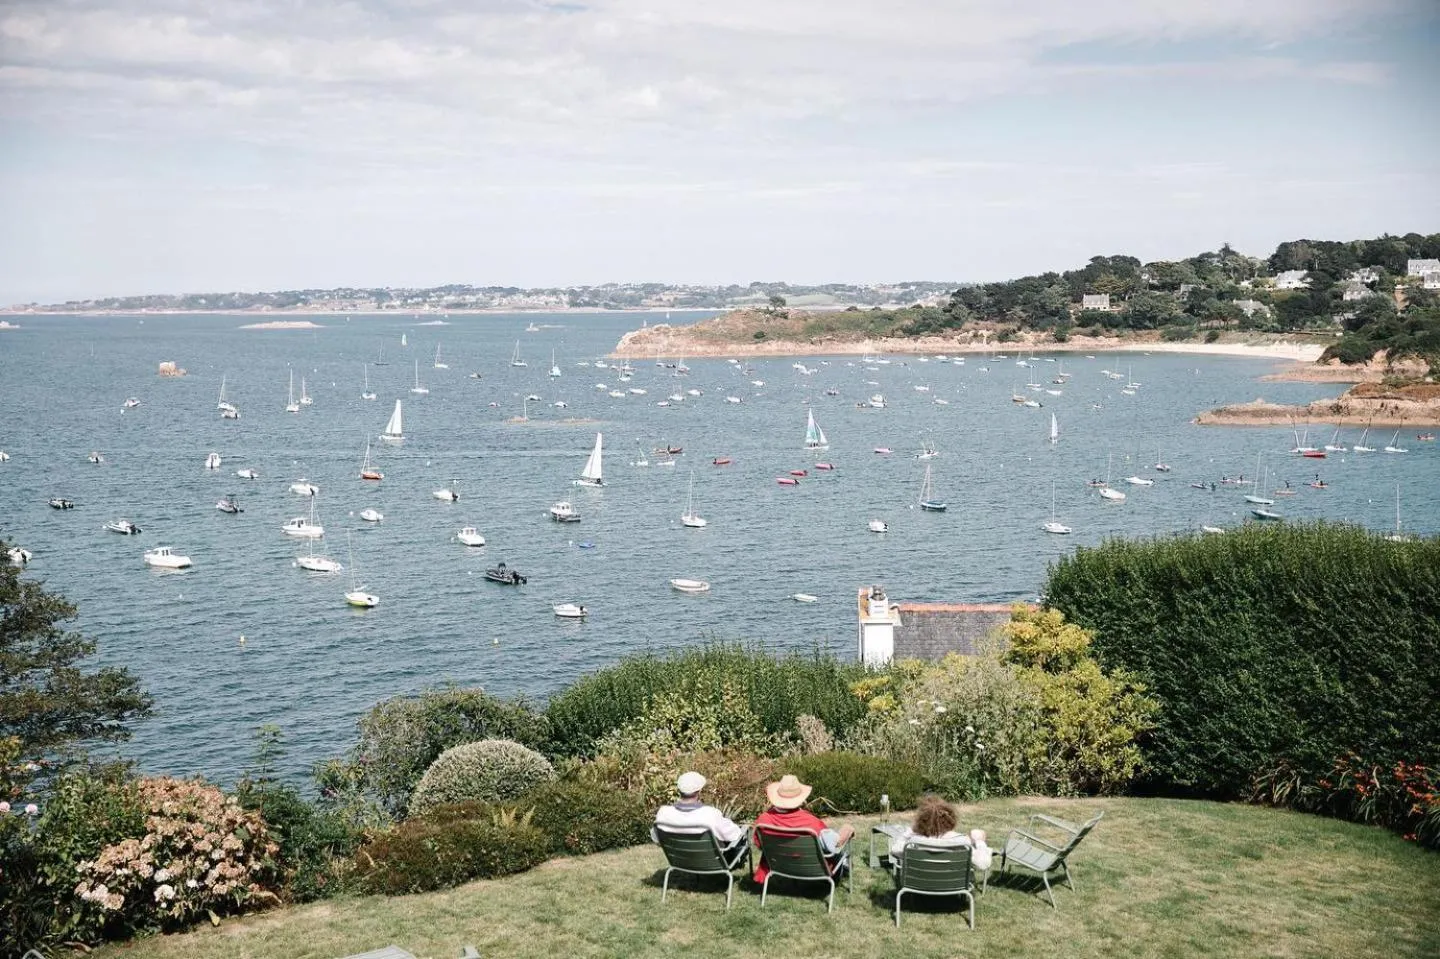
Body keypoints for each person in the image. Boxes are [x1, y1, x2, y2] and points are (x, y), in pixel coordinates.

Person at [753, 774, 854, 882]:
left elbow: (759, 845)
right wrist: (848, 830)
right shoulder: (810, 823)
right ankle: (844, 863)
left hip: (779, 866)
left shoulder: (763, 821)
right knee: (843, 834)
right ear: (799, 798)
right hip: (813, 869)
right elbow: (832, 846)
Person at [887, 794, 993, 871]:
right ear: (951, 818)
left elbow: (894, 849)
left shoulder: (914, 842)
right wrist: (980, 842)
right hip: (952, 885)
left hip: (919, 884)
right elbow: (983, 863)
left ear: (921, 820)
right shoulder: (961, 842)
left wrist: (911, 830)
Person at [654, 771, 747, 857]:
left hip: (680, 860)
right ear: (699, 791)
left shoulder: (664, 813)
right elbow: (734, 835)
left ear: (679, 790)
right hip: (711, 861)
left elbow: (656, 839)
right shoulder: (709, 814)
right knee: (740, 839)